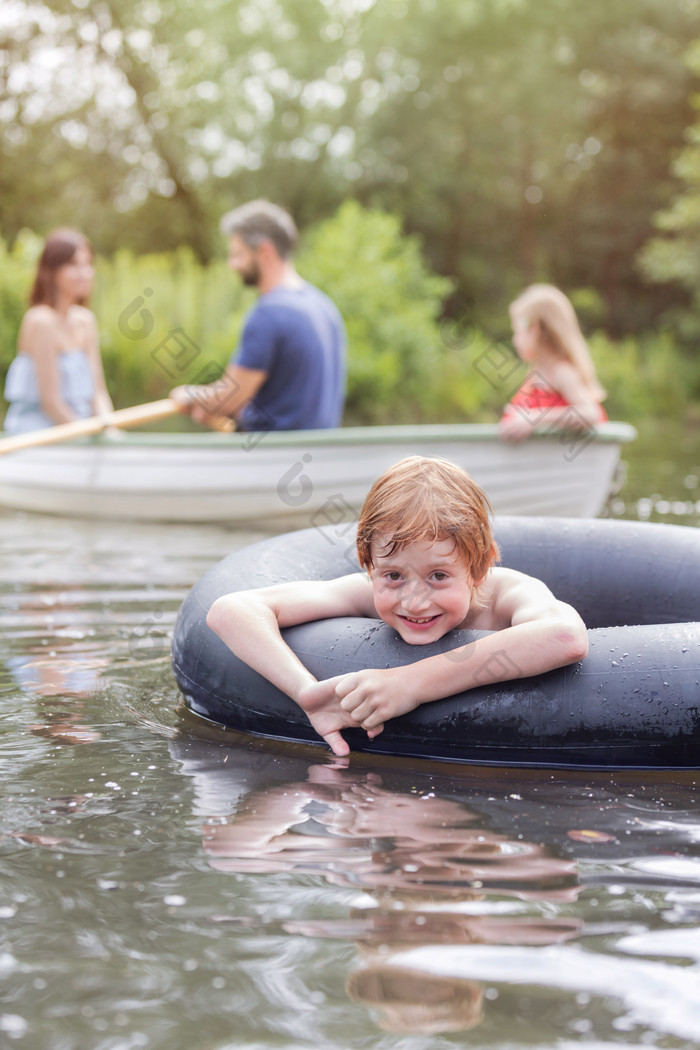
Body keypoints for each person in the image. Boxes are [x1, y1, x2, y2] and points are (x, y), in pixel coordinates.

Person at [206, 455, 589, 757]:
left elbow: (565, 636)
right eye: (393, 576)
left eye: (438, 576)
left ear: (479, 567)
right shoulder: (364, 594)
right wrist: (307, 692)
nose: (413, 600)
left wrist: (410, 684)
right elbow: (231, 610)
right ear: (367, 564)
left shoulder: (508, 595)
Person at [170, 200, 346, 432]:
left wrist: (190, 395)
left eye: (237, 254)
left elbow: (229, 398)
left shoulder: (269, 313)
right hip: (315, 459)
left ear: (264, 251)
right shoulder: (325, 307)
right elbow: (292, 402)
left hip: (272, 460)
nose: (232, 265)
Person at [3, 228, 113, 434]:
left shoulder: (85, 320)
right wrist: (86, 434)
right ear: (52, 271)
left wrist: (109, 428)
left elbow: (98, 393)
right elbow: (51, 403)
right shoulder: (40, 321)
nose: (85, 273)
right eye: (73, 265)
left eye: (88, 264)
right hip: (39, 437)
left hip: (79, 434)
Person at [499, 283, 607, 442]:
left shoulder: (562, 372)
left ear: (534, 330)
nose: (514, 341)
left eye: (517, 332)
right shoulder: (535, 375)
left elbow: (590, 413)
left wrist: (535, 418)